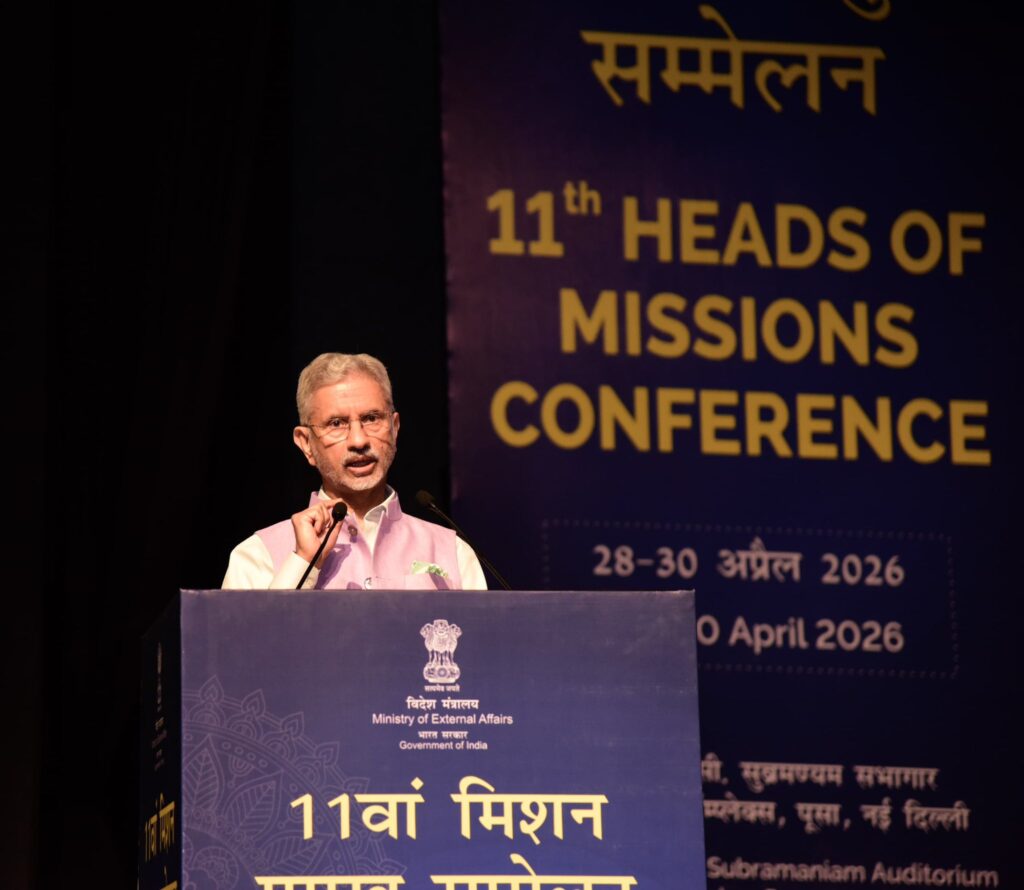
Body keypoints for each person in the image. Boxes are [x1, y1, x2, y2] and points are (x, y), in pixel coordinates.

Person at [222, 352, 487, 590]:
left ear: (394, 428)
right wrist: (304, 562)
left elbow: (483, 643)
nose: (359, 441)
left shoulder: (453, 552)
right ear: (306, 444)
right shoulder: (257, 556)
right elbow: (250, 643)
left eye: (372, 419)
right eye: (336, 423)